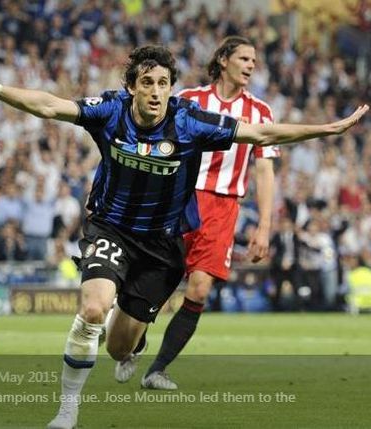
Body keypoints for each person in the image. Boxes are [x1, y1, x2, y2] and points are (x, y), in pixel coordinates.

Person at [0, 45, 367, 429]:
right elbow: (49, 106)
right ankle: (67, 410)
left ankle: (133, 331)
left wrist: (327, 130)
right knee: (92, 309)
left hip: (162, 248)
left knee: (117, 349)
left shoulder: (189, 121)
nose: (155, 92)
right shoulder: (110, 111)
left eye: (163, 83)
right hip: (111, 228)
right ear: (131, 86)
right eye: (146, 83)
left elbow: (260, 134)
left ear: (171, 88)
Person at [117, 36, 280, 389]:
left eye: (254, 60)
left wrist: (264, 226)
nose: (251, 65)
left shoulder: (261, 112)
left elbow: (264, 171)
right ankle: (134, 340)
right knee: (158, 278)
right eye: (244, 58)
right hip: (181, 198)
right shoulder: (189, 100)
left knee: (200, 290)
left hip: (224, 207)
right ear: (223, 60)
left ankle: (156, 369)